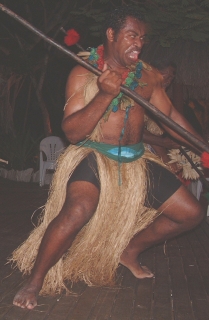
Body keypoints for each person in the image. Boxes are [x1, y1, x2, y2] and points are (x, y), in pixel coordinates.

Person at [12, 6, 205, 310]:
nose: (138, 43)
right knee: (77, 210)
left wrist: (201, 145)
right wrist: (103, 94)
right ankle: (35, 280)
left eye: (141, 37)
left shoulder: (149, 77)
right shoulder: (83, 72)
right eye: (131, 35)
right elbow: (73, 133)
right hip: (95, 156)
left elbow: (170, 118)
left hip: (136, 161)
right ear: (111, 35)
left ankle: (129, 251)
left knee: (191, 213)